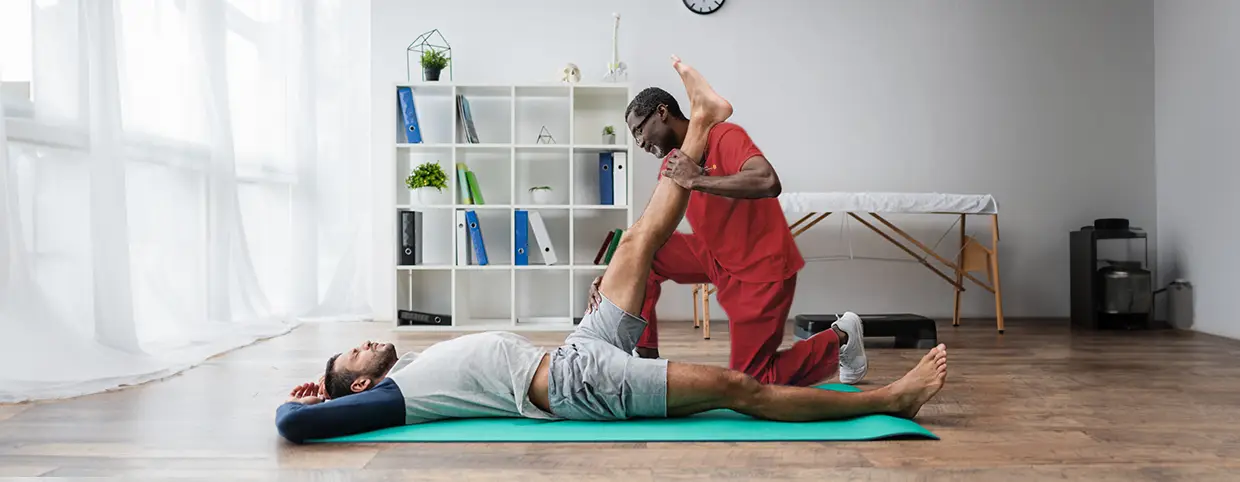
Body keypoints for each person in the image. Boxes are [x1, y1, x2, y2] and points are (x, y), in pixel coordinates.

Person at [273, 57, 947, 445]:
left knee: (640, 236)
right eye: (353, 356)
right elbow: (294, 428)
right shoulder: (392, 395)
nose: (365, 344)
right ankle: (889, 399)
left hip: (576, 347)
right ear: (359, 384)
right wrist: (311, 405)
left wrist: (323, 391)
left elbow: (760, 182)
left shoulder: (406, 363)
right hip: (577, 384)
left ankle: (706, 111)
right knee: (746, 387)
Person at [602, 66, 867, 388]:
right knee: (646, 257)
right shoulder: (673, 162)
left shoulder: (725, 136)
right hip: (715, 255)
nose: (639, 142)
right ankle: (645, 360)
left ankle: (841, 336)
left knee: (752, 381)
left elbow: (769, 181)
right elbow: (649, 229)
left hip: (759, 268)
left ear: (662, 112)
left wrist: (698, 179)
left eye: (639, 130)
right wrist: (612, 278)